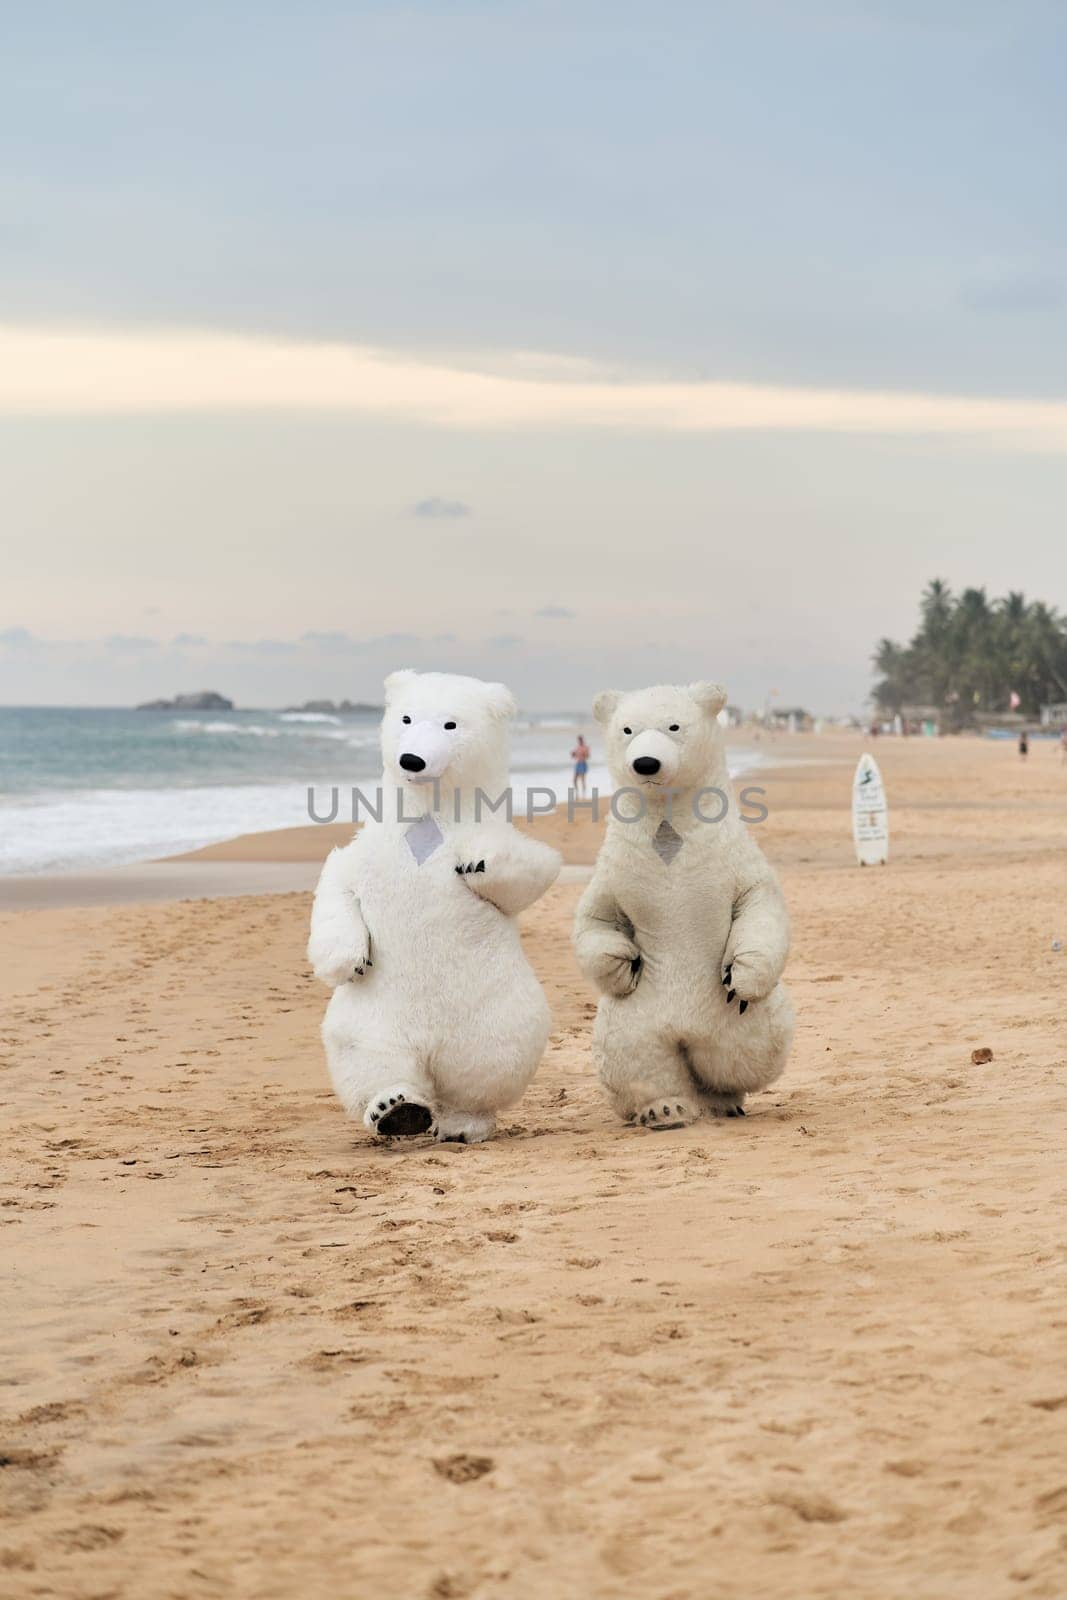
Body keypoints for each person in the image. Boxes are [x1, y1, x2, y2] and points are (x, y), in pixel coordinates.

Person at [571, 732, 590, 798]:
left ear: (582, 740)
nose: (579, 741)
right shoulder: (577, 747)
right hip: (578, 763)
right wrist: (573, 754)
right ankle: (577, 793)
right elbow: (574, 756)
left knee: (582, 780)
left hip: (583, 763)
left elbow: (588, 756)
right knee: (574, 780)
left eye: (580, 739)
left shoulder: (585, 747)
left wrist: (583, 754)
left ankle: (583, 795)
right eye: (579, 740)